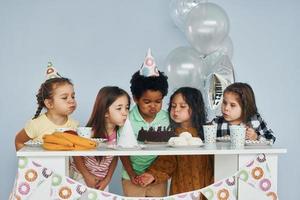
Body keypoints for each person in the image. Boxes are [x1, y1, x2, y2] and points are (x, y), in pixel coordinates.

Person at [137, 87, 214, 196]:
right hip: (181, 189)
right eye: (173, 106)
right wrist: (152, 175)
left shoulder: (207, 133)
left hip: (208, 189)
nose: (176, 110)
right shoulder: (172, 136)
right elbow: (167, 161)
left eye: (182, 106)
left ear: (196, 108)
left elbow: (217, 160)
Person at [120, 49, 170, 197]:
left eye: (158, 101)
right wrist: (131, 173)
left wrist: (153, 174)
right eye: (147, 102)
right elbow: (122, 151)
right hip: (131, 177)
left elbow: (169, 152)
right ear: (135, 98)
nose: (153, 106)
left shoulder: (167, 118)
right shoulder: (126, 119)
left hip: (157, 177)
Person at [71, 86, 130, 190]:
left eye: (127, 107)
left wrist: (107, 179)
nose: (125, 112)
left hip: (102, 180)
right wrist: (87, 176)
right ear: (106, 112)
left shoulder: (121, 135)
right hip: (80, 176)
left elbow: (114, 157)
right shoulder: (89, 133)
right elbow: (76, 156)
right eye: (119, 108)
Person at [15, 62, 78, 151]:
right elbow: (19, 141)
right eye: (64, 97)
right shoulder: (35, 125)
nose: (71, 100)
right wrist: (27, 162)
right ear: (49, 104)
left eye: (73, 96)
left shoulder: (75, 125)